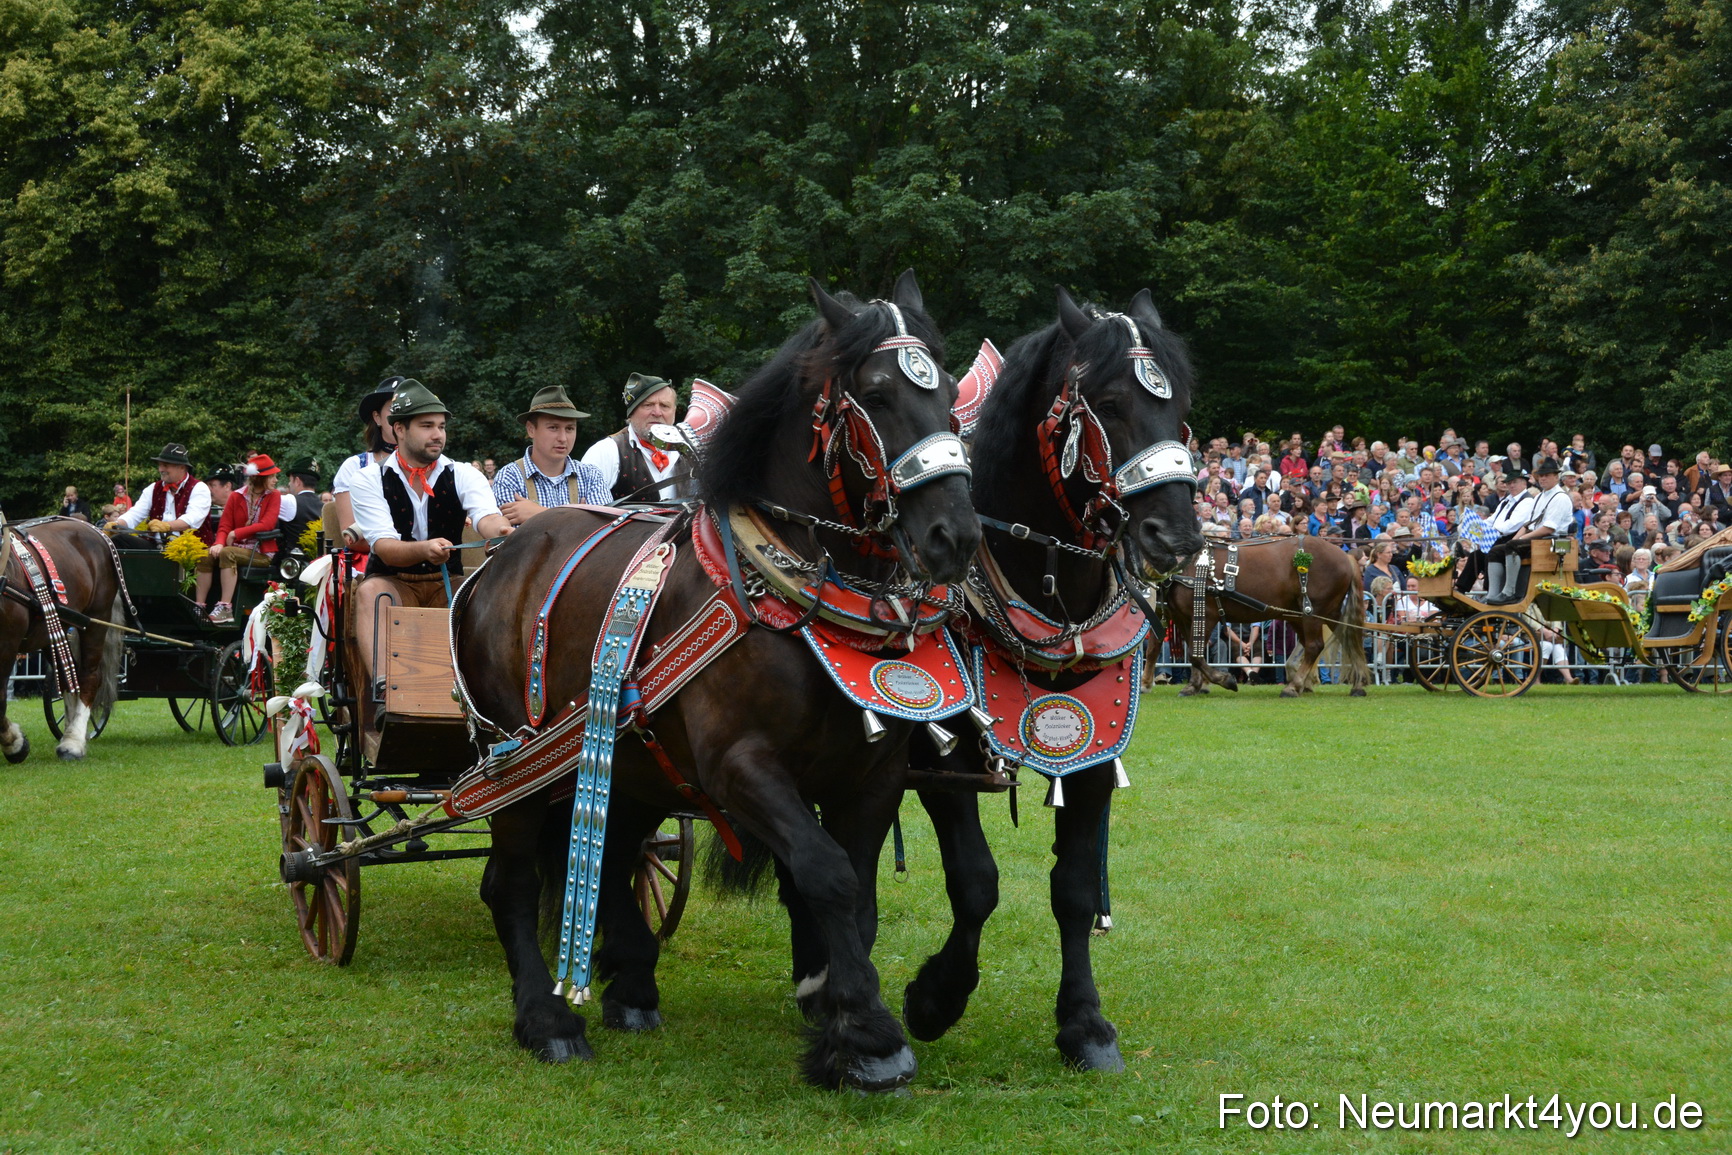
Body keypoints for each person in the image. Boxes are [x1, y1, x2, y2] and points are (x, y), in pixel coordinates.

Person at [347, 382, 511, 738]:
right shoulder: (368, 480)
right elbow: (386, 548)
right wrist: (424, 548)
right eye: (427, 426)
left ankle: (489, 700)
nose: (438, 435)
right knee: (372, 593)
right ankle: (383, 694)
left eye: (441, 426)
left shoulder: (464, 474)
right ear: (398, 429)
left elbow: (487, 518)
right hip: (393, 582)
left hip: (447, 585)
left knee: (487, 596)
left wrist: (503, 532)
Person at [493, 386, 610, 524]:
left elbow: (604, 532)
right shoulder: (509, 477)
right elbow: (515, 541)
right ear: (531, 429)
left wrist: (539, 514)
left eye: (569, 428)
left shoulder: (591, 475)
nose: (563, 438)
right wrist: (578, 519)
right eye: (553, 427)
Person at [582, 373, 695, 502]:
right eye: (648, 405)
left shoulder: (691, 452)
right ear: (631, 412)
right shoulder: (605, 452)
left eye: (664, 406)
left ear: (674, 411)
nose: (657, 412)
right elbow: (585, 516)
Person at [205, 454, 284, 623]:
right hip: (237, 548)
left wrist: (237, 533)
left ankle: (225, 607)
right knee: (206, 555)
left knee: (227, 553)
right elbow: (224, 526)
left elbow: (267, 524)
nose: (276, 480)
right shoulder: (236, 496)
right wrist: (218, 543)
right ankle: (199, 606)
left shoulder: (274, 495)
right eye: (272, 476)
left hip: (261, 552)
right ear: (259, 478)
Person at [329, 377, 404, 554]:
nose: (403, 417)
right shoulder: (354, 467)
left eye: (410, 411)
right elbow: (353, 539)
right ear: (377, 417)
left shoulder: (437, 466)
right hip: (370, 559)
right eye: (395, 409)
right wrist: (408, 551)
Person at [1486, 459, 1574, 604]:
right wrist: (1515, 539)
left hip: (1552, 541)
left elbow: (1548, 528)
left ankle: (1510, 592)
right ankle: (1493, 594)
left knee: (1513, 546)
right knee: (1496, 550)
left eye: (1547, 475)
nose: (1543, 478)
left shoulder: (1560, 498)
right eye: (1541, 475)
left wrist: (1520, 540)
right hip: (1538, 538)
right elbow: (1528, 524)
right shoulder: (1539, 496)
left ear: (1556, 477)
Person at [106, 444, 211, 548]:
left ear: (182, 467)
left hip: (189, 549)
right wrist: (117, 524)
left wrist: (167, 526)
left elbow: (192, 519)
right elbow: (135, 513)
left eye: (165, 465)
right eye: (160, 465)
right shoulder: (153, 488)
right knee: (118, 540)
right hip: (156, 546)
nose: (161, 469)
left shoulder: (199, 488)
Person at [191, 467, 239, 612]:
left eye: (212, 485)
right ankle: (199, 605)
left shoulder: (240, 504)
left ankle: (224, 606)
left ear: (227, 486)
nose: (209, 490)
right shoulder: (210, 509)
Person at [281, 459, 325, 552]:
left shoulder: (289, 501)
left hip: (292, 563)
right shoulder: (324, 506)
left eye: (290, 480)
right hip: (317, 562)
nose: (289, 484)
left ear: (297, 481)